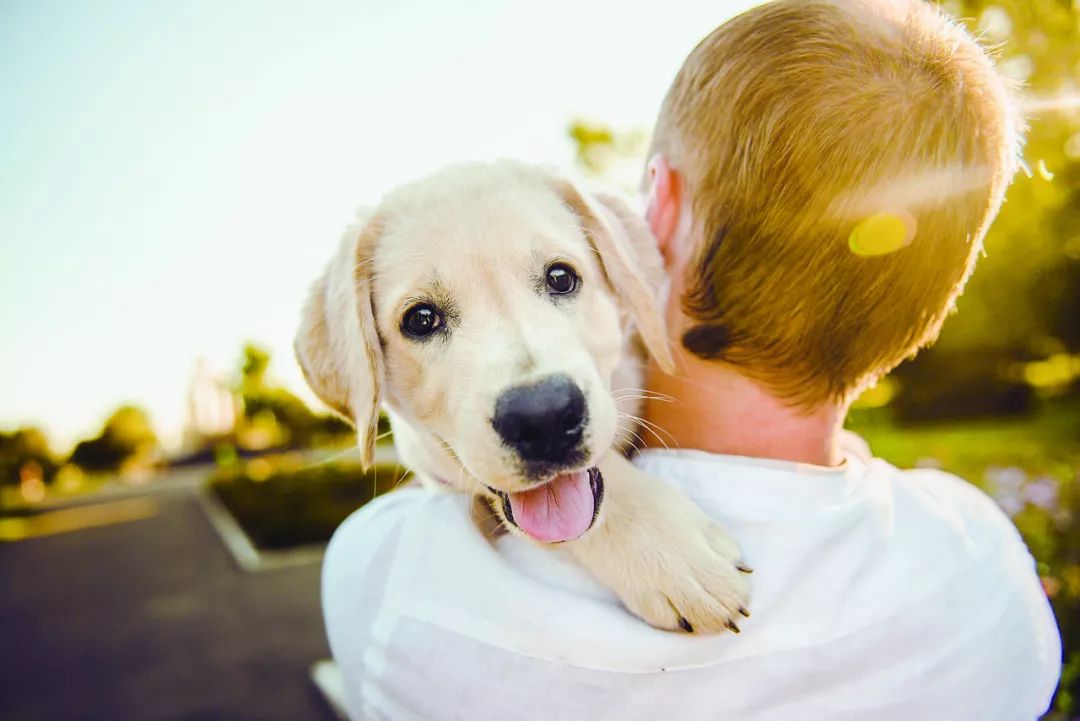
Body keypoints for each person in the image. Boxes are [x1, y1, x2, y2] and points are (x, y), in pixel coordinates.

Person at [321, 1, 1062, 719]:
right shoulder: (987, 569)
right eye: (424, 319)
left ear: (659, 209)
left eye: (559, 279)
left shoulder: (393, 583)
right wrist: (612, 507)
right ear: (931, 295)